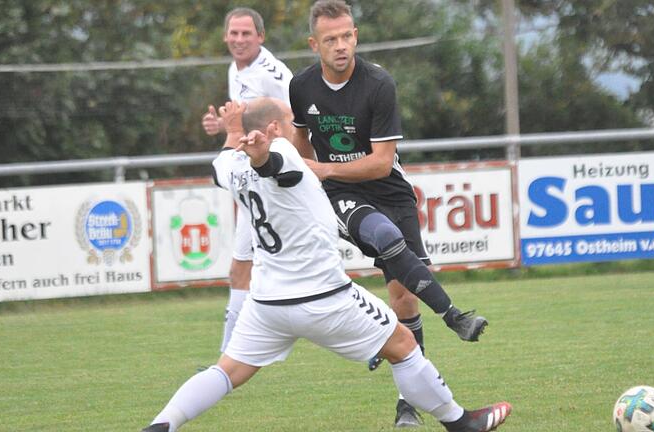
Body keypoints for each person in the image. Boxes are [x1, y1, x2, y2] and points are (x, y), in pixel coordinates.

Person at [141, 98, 511, 432]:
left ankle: (161, 425)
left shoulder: (232, 164)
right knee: (403, 342)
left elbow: (220, 165)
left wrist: (234, 131)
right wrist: (260, 155)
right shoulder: (282, 150)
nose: (298, 125)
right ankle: (460, 422)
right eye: (289, 119)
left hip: (267, 303)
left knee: (227, 371)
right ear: (273, 129)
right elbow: (272, 166)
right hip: (323, 296)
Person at [288, 0, 489, 426]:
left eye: (347, 36)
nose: (341, 46)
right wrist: (312, 180)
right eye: (330, 39)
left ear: (356, 35)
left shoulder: (379, 84)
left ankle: (407, 401)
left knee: (402, 297)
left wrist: (320, 166)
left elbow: (381, 162)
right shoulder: (301, 87)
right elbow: (301, 141)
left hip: (392, 191)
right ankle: (453, 315)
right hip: (341, 192)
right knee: (381, 235)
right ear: (314, 44)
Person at [201, 7, 293, 353]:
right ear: (225, 36)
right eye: (234, 34)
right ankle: (228, 356)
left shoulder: (272, 73)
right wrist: (222, 127)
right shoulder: (235, 68)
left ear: (261, 37)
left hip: (272, 180)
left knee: (259, 269)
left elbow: (298, 116)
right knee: (240, 271)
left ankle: (228, 358)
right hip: (250, 180)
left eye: (246, 34)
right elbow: (244, 122)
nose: (239, 40)